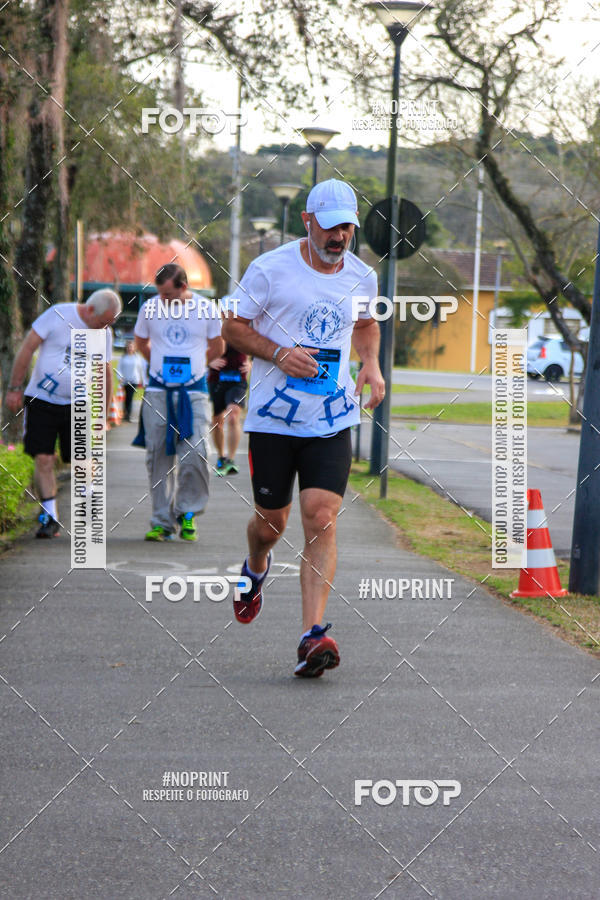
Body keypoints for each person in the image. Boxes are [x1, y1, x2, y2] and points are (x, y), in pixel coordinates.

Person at [223, 178, 385, 677]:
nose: (339, 237)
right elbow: (232, 325)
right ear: (307, 221)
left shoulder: (361, 276)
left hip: (331, 418)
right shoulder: (269, 270)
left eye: (347, 228)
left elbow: (364, 323)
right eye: (331, 226)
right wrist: (278, 353)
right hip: (273, 419)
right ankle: (254, 568)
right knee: (271, 525)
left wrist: (371, 365)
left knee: (322, 516)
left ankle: (311, 636)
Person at [5, 289, 122, 538]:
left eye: (109, 324)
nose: (105, 329)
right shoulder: (57, 315)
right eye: (103, 323)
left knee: (81, 459)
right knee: (44, 459)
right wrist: (15, 387)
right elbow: (27, 348)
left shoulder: (104, 333)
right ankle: (50, 516)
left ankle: (87, 500)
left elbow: (105, 372)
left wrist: (103, 413)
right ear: (90, 311)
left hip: (77, 403)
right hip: (42, 399)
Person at [133, 263, 224, 542]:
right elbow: (141, 342)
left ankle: (187, 512)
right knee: (158, 454)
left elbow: (218, 346)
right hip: (159, 389)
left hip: (193, 389)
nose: (163, 300)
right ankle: (161, 520)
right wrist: (159, 367)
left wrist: (197, 365)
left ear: (184, 287)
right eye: (160, 294)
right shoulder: (150, 308)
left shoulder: (207, 309)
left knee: (196, 452)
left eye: (168, 295)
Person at [208, 342, 251, 475]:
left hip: (238, 380)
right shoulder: (213, 324)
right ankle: (221, 457)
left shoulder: (243, 322)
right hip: (217, 380)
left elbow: (255, 344)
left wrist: (250, 362)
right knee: (217, 422)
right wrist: (208, 361)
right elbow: (198, 344)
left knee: (233, 415)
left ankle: (231, 460)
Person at [117, 340, 146, 421]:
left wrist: (142, 380)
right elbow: (119, 368)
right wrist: (120, 377)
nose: (130, 348)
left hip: (134, 381)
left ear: (134, 348)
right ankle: (126, 413)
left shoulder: (137, 358)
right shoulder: (123, 357)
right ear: (126, 348)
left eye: (131, 347)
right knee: (126, 398)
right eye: (128, 347)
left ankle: (128, 415)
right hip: (125, 381)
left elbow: (141, 370)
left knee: (130, 397)